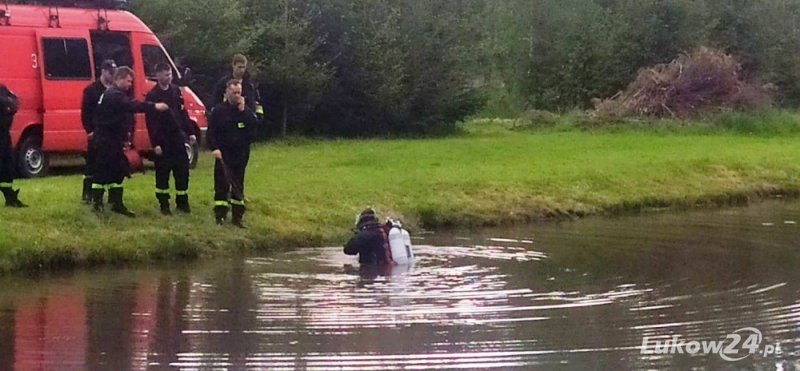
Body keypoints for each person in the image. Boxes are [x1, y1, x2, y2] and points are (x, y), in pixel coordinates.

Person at [92, 66, 168, 216]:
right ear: (119, 78)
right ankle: (97, 203)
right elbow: (132, 105)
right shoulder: (114, 95)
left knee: (118, 171)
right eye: (128, 81)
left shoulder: (113, 93)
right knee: (102, 172)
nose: (130, 84)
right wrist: (154, 106)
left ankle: (116, 203)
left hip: (113, 138)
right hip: (105, 139)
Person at [145, 63, 197, 215]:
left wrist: (191, 131)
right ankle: (164, 204)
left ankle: (182, 202)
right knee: (163, 173)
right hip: (163, 139)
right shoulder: (153, 95)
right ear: (158, 75)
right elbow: (150, 121)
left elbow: (183, 113)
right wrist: (155, 143)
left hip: (178, 137)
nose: (169, 77)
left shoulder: (176, 91)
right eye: (166, 75)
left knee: (182, 171)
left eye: (170, 74)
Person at [207, 79, 259, 227]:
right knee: (222, 184)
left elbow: (254, 127)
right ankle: (220, 216)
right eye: (234, 92)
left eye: (239, 93)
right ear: (227, 92)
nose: (237, 96)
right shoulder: (218, 111)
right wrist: (215, 148)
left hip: (241, 154)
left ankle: (237, 217)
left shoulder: (245, 111)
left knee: (238, 185)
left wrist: (244, 111)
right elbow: (211, 133)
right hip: (223, 153)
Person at [81, 59, 117, 204]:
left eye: (114, 72)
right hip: (95, 133)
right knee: (92, 164)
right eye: (110, 72)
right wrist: (89, 130)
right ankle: (87, 193)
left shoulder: (115, 89)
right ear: (102, 71)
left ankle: (112, 195)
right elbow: (85, 112)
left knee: (112, 163)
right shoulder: (91, 90)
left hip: (111, 133)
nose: (112, 75)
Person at [211, 54, 263, 120]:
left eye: (244, 67)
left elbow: (256, 101)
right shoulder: (223, 83)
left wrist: (259, 115)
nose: (242, 70)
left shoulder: (250, 84)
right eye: (239, 67)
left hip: (247, 118)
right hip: (228, 118)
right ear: (233, 66)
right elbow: (215, 101)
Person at [0, 83, 26, 208]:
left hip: (4, 133)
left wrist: (7, 105)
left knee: (7, 165)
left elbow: (15, 102)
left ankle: (9, 196)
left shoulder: (2, 88)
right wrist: (7, 105)